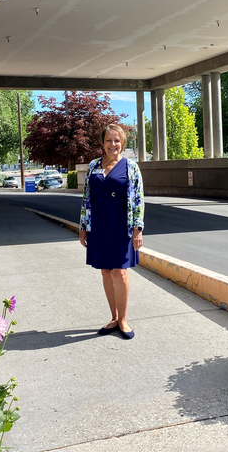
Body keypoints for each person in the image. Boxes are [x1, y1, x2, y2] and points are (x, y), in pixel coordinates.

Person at [79, 124, 144, 339]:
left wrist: (138, 229)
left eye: (117, 140)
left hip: (121, 226)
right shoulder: (94, 166)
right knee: (105, 271)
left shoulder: (130, 167)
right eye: (109, 140)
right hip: (98, 225)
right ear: (102, 142)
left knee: (120, 271)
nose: (113, 144)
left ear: (122, 143)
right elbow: (87, 198)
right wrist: (83, 227)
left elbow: (138, 200)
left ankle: (124, 319)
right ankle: (114, 318)